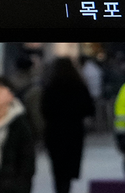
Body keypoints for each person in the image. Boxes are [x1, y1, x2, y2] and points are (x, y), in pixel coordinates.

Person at [39, 58, 95, 193]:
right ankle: (66, 187)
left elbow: (44, 110)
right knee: (70, 164)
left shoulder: (50, 87)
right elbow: (89, 109)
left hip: (55, 130)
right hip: (74, 130)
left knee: (57, 166)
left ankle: (60, 188)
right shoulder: (79, 86)